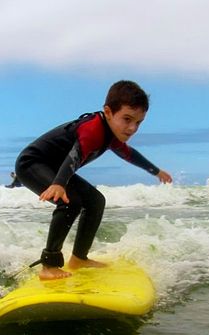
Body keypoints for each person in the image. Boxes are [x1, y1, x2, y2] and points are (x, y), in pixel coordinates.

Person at [15, 80, 172, 280]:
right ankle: (49, 265)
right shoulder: (93, 129)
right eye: (127, 119)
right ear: (108, 112)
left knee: (96, 201)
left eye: (138, 122)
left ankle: (79, 258)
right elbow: (75, 154)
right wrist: (59, 184)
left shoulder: (111, 134)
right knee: (69, 202)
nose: (132, 128)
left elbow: (129, 154)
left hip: (56, 169)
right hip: (32, 163)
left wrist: (155, 171)